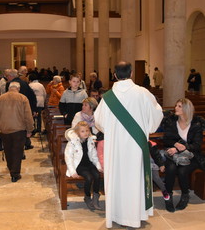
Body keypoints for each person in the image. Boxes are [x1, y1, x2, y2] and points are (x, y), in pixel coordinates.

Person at [94, 61, 163, 228]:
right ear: (131, 73)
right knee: (135, 178)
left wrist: (113, 130)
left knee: (117, 178)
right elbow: (157, 115)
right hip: (136, 146)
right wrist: (147, 128)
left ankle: (117, 214)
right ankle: (136, 215)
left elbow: (99, 122)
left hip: (115, 147)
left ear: (115, 75)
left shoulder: (108, 97)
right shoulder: (143, 93)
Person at [161, 98, 202, 212]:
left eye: (179, 106)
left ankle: (185, 195)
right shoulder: (171, 121)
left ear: (186, 109)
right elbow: (166, 139)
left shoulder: (196, 124)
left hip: (191, 156)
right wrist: (175, 145)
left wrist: (182, 148)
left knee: (182, 171)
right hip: (173, 155)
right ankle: (168, 197)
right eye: (176, 105)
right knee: (171, 168)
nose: (175, 108)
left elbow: (197, 145)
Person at [0, 81, 34, 182]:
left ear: (9, 88)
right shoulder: (23, 98)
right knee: (17, 152)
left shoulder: (0, 98)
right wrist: (30, 129)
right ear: (18, 89)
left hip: (4, 130)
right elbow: (28, 116)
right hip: (19, 130)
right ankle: (15, 174)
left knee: (8, 151)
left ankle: (11, 169)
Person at [64, 121, 103, 210]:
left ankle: (96, 198)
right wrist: (72, 171)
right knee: (89, 178)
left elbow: (94, 155)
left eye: (87, 130)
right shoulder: (72, 143)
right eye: (82, 131)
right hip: (79, 165)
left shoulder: (90, 141)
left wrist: (98, 166)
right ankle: (87, 197)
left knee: (97, 175)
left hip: (89, 164)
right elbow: (68, 157)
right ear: (77, 132)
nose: (85, 133)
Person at [5, 69, 37, 149]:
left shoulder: (9, 84)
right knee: (24, 126)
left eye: (8, 76)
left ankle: (19, 147)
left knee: (15, 128)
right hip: (24, 108)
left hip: (12, 110)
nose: (7, 78)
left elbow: (7, 98)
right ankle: (26, 143)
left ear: (11, 76)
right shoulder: (24, 83)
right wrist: (34, 109)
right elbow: (32, 96)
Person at [71, 97, 104, 169]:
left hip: (95, 141)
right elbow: (74, 130)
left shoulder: (97, 116)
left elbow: (101, 130)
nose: (83, 107)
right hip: (82, 141)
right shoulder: (78, 115)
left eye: (85, 105)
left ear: (91, 107)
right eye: (83, 105)